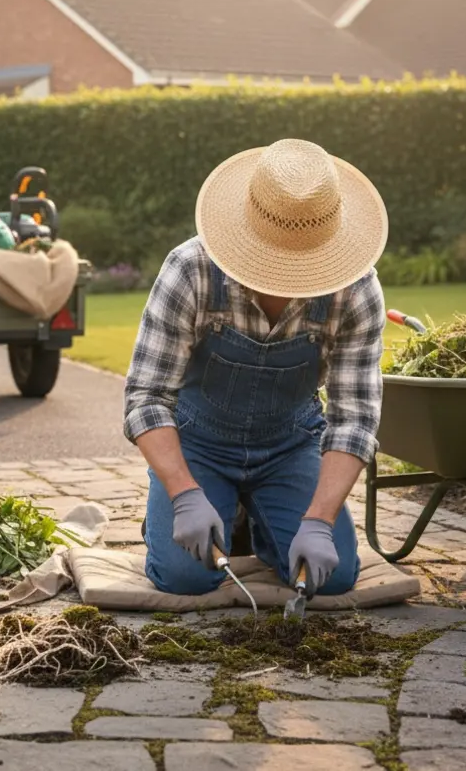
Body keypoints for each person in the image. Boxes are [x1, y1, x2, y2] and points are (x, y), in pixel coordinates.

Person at [122, 138, 389, 598]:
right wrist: (184, 493)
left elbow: (354, 420)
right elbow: (145, 397)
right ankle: (186, 508)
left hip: (290, 443)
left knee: (334, 577)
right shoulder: (191, 270)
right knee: (185, 577)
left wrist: (320, 522)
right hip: (199, 445)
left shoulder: (356, 289)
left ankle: (263, 523)